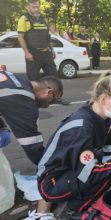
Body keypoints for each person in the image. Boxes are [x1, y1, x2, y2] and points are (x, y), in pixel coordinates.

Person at [36, 73, 111, 219]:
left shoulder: (104, 119)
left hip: (71, 168)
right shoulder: (82, 127)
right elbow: (89, 172)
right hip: (52, 180)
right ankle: (73, 211)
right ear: (103, 99)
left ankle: (82, 202)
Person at [0, 70, 63, 220]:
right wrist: (54, 167)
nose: (48, 106)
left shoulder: (17, 77)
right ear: (48, 92)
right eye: (52, 101)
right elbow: (33, 148)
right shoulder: (24, 100)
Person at [17, 0, 58, 81]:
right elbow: (20, 37)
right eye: (33, 7)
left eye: (37, 7)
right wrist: (27, 53)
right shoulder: (24, 19)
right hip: (33, 54)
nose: (36, 9)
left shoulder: (43, 19)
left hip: (46, 53)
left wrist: (52, 49)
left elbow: (47, 36)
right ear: (28, 7)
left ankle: (52, 93)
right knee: (33, 81)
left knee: (54, 79)